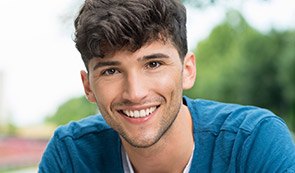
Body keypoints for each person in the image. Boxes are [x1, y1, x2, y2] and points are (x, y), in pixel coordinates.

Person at [39, 0, 295, 172]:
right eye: (112, 71)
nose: (135, 93)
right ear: (88, 86)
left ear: (187, 70)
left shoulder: (253, 143)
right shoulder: (71, 156)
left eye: (153, 64)